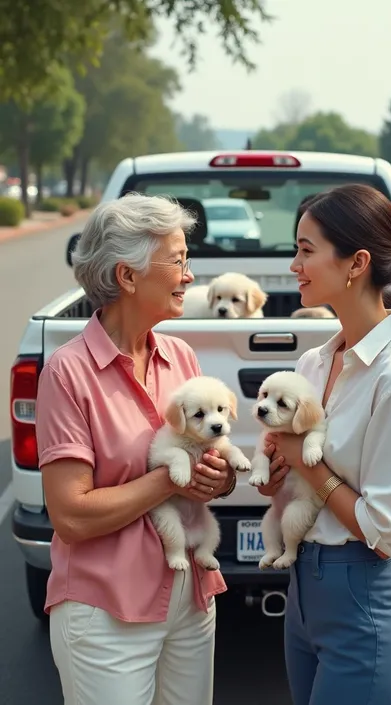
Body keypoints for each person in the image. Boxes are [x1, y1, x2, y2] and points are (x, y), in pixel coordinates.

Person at [35, 193, 236, 705]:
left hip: (190, 599)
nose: (190, 276)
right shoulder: (68, 372)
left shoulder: (182, 356)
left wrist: (220, 479)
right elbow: (72, 516)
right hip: (105, 614)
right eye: (178, 261)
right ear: (127, 277)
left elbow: (203, 470)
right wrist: (175, 476)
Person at [257, 184, 391, 705]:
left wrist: (307, 463)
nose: (294, 264)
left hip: (363, 600)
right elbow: (295, 476)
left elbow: (386, 531)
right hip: (302, 594)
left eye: (306, 249)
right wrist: (278, 474)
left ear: (356, 263)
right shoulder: (313, 363)